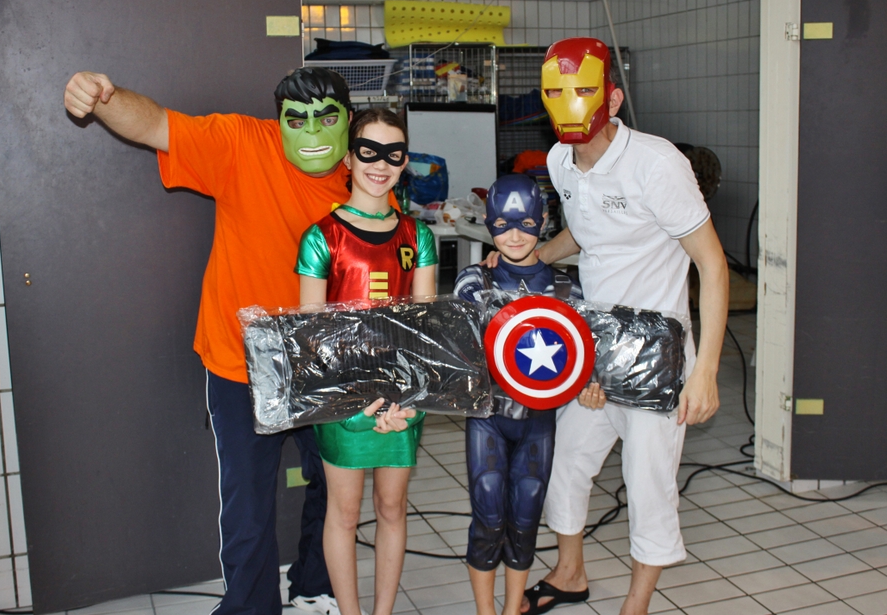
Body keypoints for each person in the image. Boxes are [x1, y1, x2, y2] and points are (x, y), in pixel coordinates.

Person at [63, 67, 364, 615]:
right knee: (247, 499)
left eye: (327, 118)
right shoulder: (244, 143)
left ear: (348, 121)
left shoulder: (367, 172)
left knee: (337, 485)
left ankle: (316, 587)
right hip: (242, 359)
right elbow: (156, 125)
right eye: (297, 119)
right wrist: (104, 97)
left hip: (327, 362)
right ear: (279, 122)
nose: (313, 131)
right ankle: (250, 607)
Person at [520, 37, 729, 615]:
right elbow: (585, 231)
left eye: (583, 91)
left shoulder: (657, 164)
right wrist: (532, 256)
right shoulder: (560, 161)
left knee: (648, 482)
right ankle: (569, 574)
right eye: (557, 92)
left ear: (611, 100)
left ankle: (635, 606)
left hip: (659, 355)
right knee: (565, 462)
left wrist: (705, 372)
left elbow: (712, 264)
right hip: (595, 348)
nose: (570, 103)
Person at [295, 107, 437, 615]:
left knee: (392, 507)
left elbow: (425, 330)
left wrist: (409, 400)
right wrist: (354, 404)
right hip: (342, 403)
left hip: (402, 400)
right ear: (349, 159)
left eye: (393, 154)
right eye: (369, 152)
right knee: (345, 511)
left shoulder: (418, 236)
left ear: (404, 162)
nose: (380, 165)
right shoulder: (321, 237)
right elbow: (312, 336)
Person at [453, 174, 605, 615]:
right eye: (502, 224)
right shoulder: (474, 283)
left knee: (525, 519)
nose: (514, 235)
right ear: (489, 225)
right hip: (488, 418)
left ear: (542, 222)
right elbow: (455, 352)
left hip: (538, 423)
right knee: (488, 516)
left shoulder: (567, 289)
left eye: (525, 223)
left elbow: (583, 359)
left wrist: (591, 386)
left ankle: (511, 609)